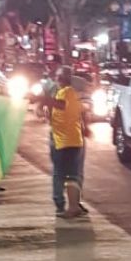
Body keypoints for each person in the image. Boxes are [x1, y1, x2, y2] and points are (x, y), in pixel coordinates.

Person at [38, 67, 88, 218]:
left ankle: (68, 205)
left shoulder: (67, 92)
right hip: (73, 140)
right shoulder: (68, 93)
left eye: (59, 77)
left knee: (62, 173)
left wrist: (42, 99)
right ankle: (73, 205)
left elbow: (60, 104)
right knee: (73, 175)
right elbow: (78, 111)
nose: (58, 80)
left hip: (63, 142)